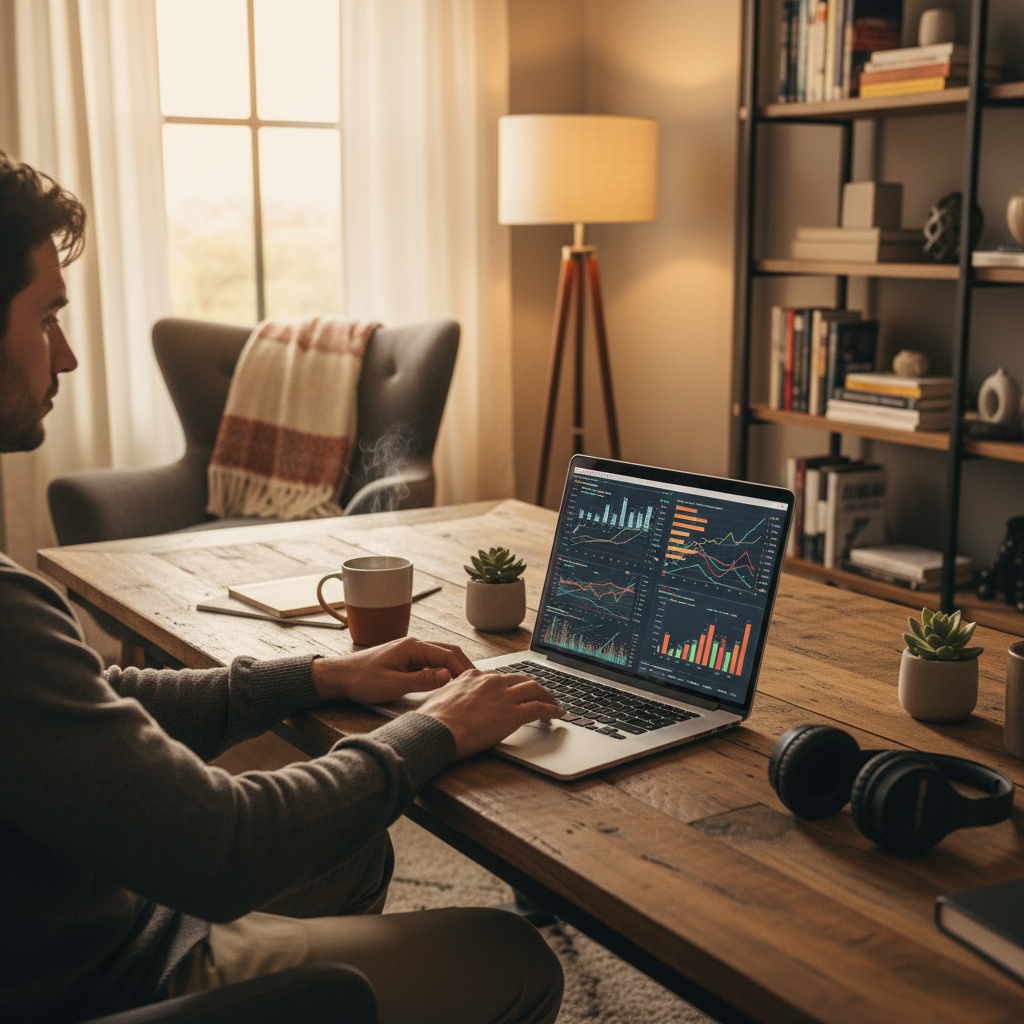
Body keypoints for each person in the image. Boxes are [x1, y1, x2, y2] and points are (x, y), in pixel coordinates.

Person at [0, 151, 566, 1024]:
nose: (67, 356)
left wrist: (317, 676)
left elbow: (91, 699)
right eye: (47, 319)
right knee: (511, 956)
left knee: (349, 847)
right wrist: (434, 729)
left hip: (71, 926)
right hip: (111, 981)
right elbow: (220, 846)